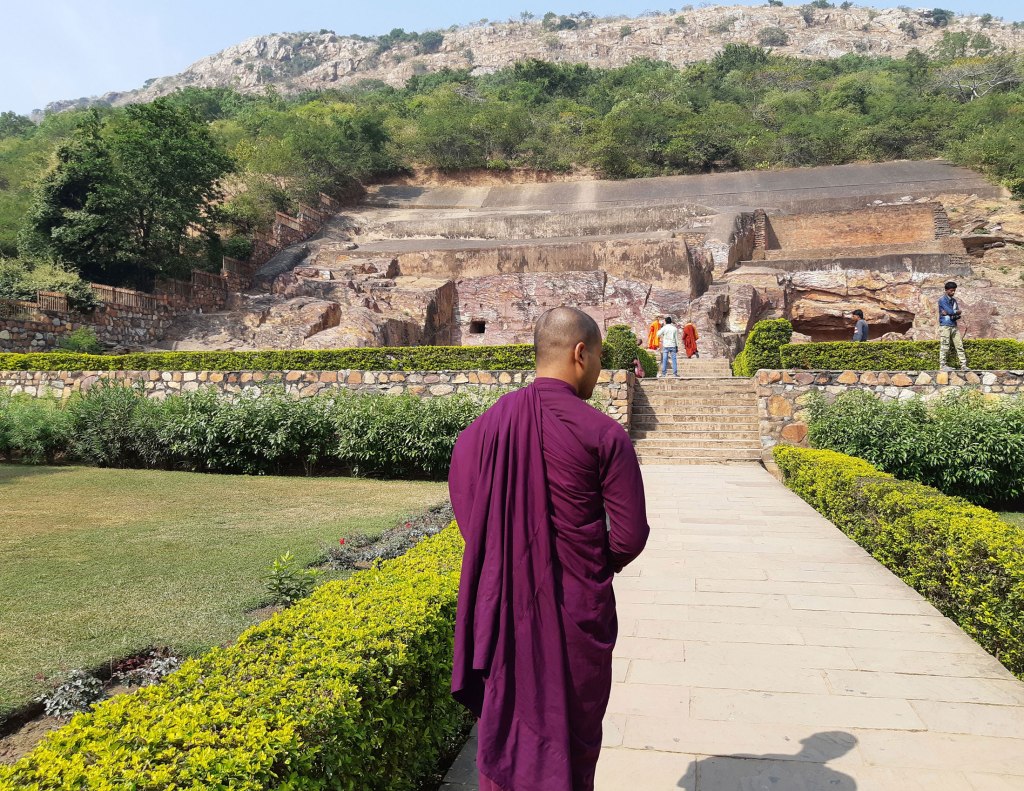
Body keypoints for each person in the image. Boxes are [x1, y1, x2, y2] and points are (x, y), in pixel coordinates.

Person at [449, 306, 650, 791]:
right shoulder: (604, 434)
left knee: (509, 732)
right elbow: (629, 536)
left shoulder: (483, 430)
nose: (600, 371)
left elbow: (469, 510)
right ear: (581, 354)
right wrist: (582, 565)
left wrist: (510, 554)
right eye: (600, 358)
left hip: (506, 614)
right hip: (576, 614)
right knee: (571, 739)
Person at [938, 281, 969, 371]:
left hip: (953, 325)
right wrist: (954, 312)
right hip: (945, 325)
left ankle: (963, 365)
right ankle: (942, 365)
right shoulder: (942, 300)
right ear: (946, 290)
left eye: (954, 290)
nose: (953, 292)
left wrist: (951, 312)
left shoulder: (953, 301)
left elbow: (953, 313)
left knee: (959, 345)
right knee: (945, 345)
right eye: (951, 290)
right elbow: (953, 311)